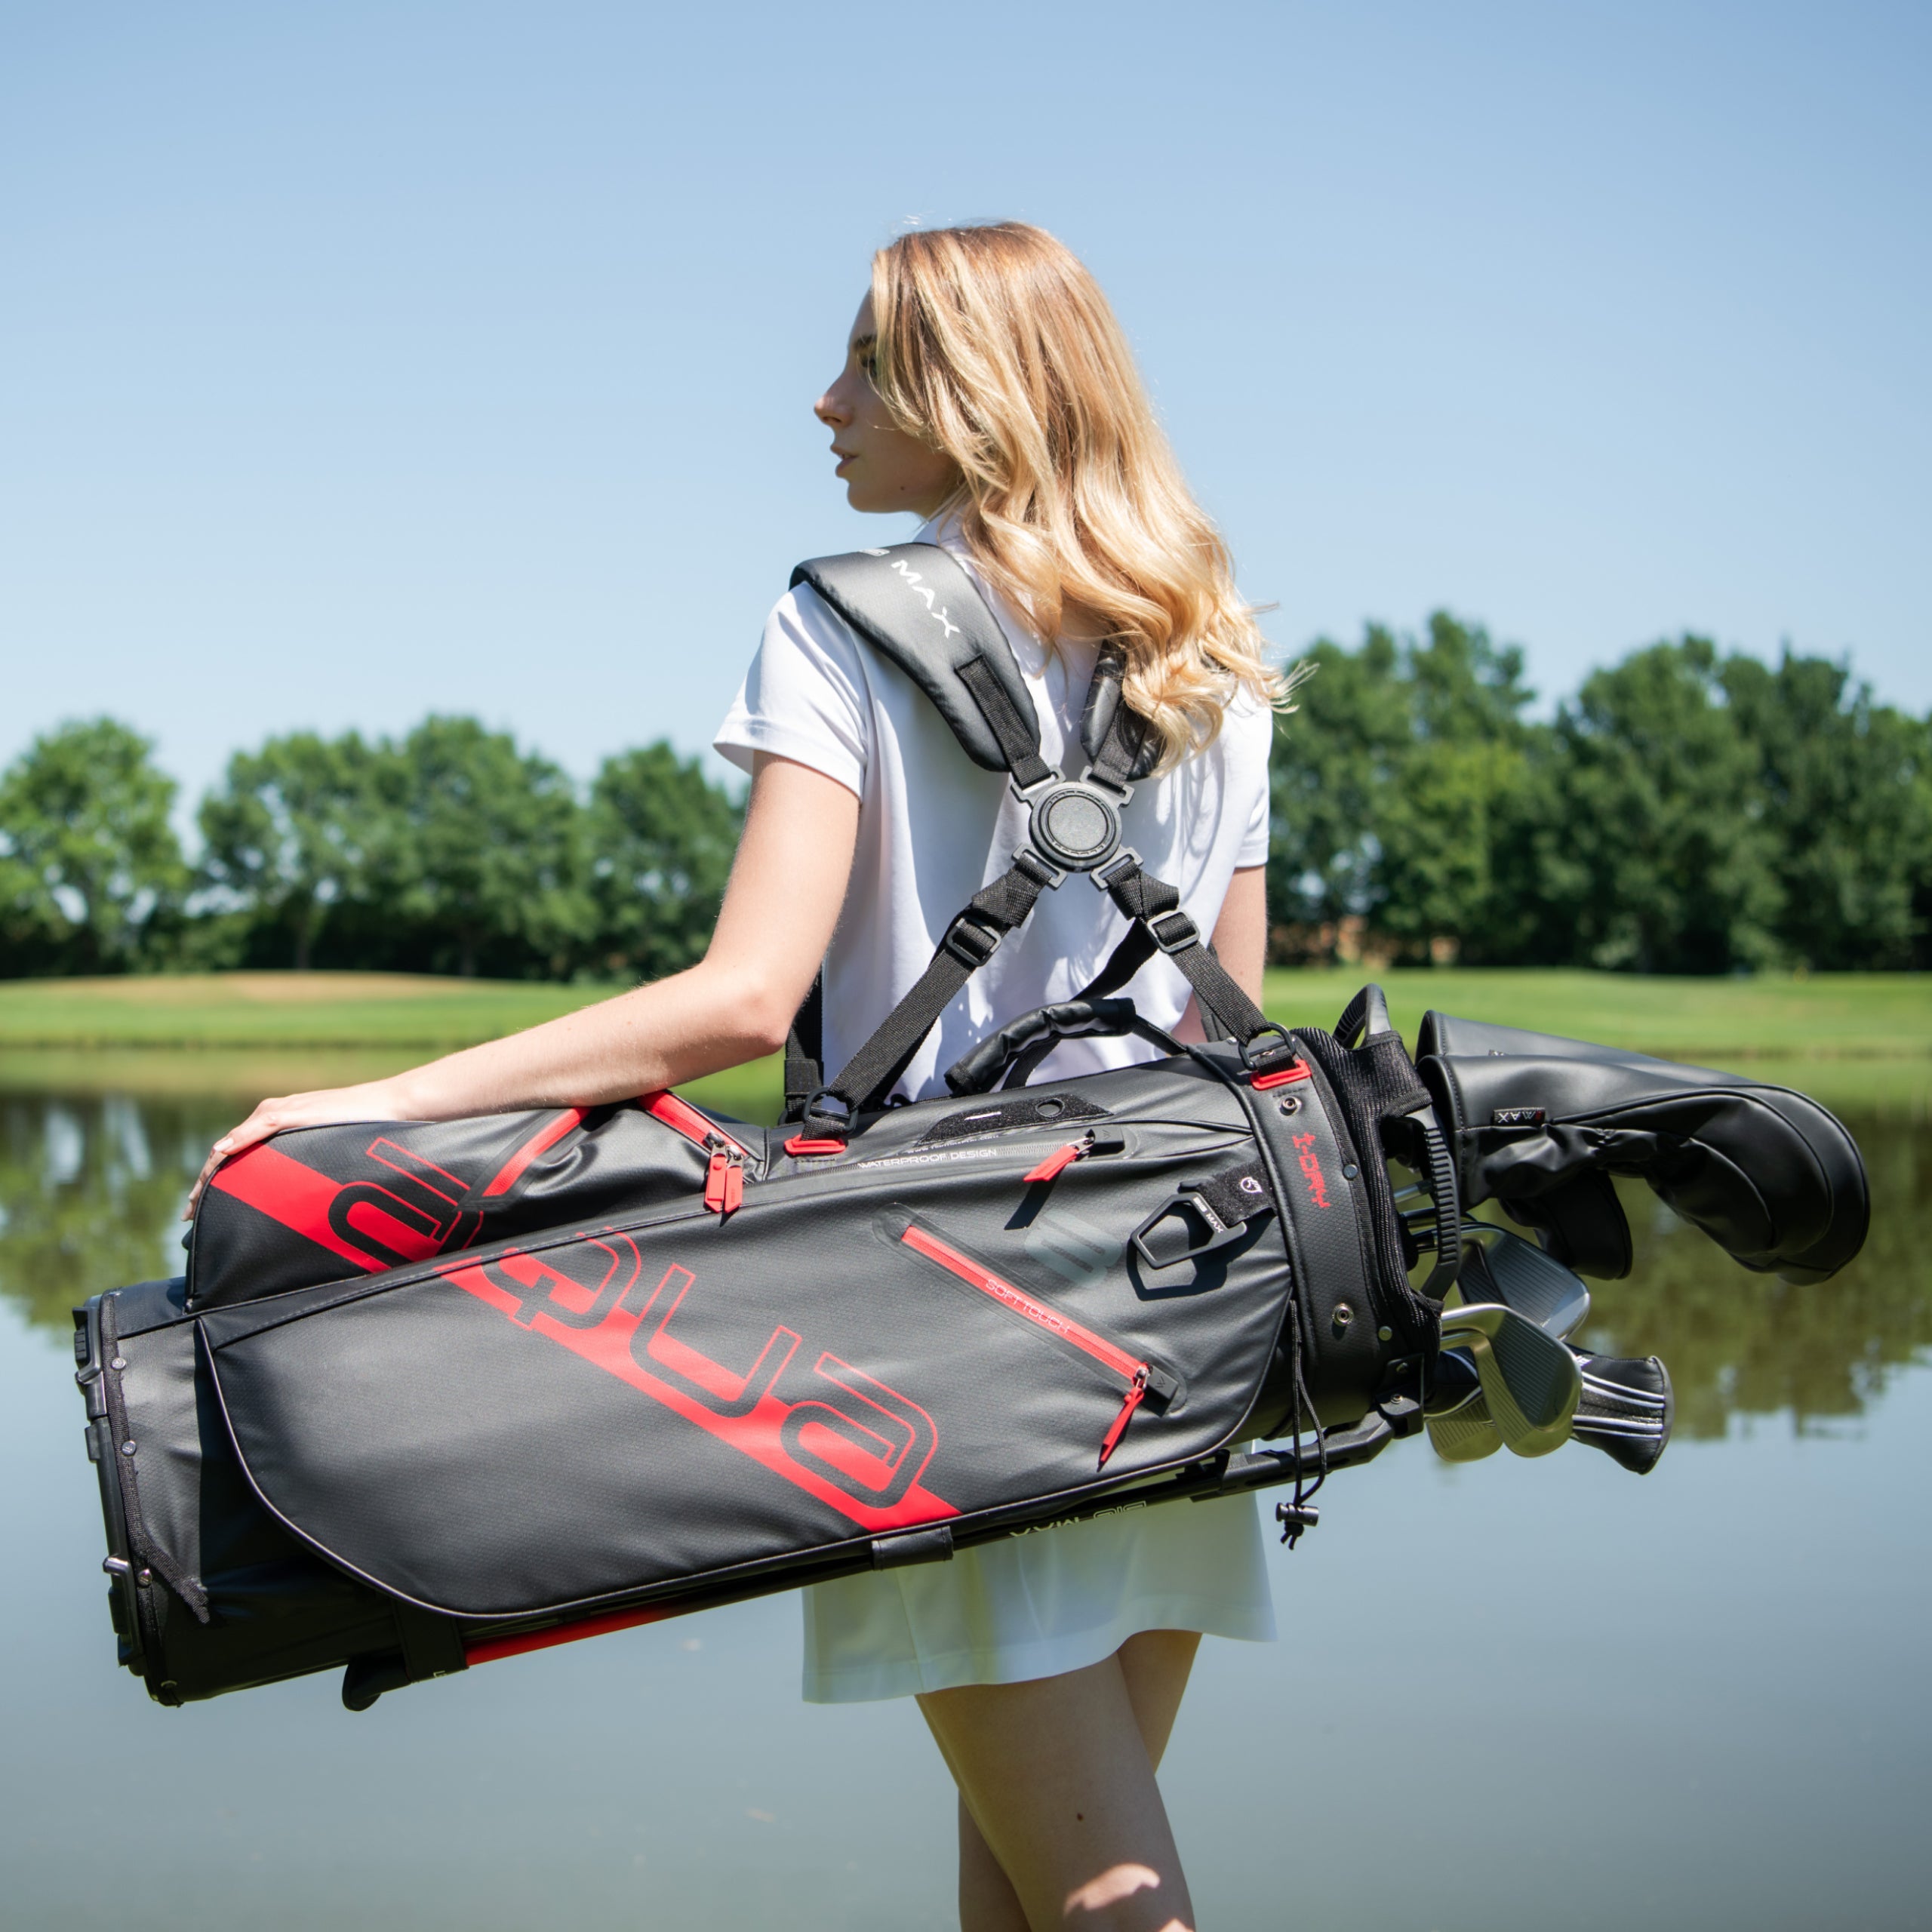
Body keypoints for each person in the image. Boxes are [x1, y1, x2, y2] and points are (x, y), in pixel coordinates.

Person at [191, 222, 1287, 1932]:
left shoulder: (841, 620)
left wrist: (390, 1102)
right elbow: (1233, 1043)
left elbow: (741, 997)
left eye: (867, 364)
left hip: (944, 1333)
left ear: (972, 395)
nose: (824, 400)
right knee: (1023, 1894)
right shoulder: (1202, 654)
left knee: (1100, 1903)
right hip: (1186, 1314)